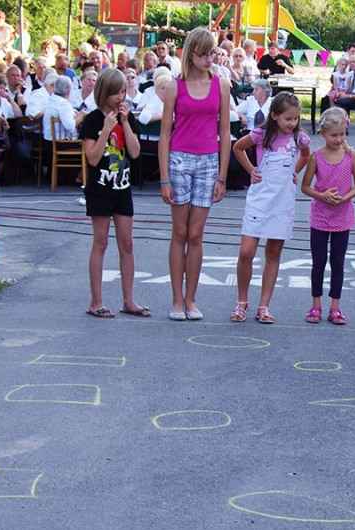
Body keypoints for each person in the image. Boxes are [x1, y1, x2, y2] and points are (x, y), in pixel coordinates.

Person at [159, 27, 231, 321]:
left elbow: (225, 133)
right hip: (179, 160)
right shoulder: (174, 86)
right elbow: (165, 134)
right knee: (179, 232)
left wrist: (222, 176)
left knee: (196, 233)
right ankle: (177, 300)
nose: (209, 58)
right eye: (203, 53)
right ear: (191, 54)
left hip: (208, 161)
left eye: (212, 52)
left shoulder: (221, 85)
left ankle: (191, 299)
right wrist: (164, 178)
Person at [231, 92, 311, 324]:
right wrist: (251, 170)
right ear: (274, 116)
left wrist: (295, 171)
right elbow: (238, 147)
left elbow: (306, 155)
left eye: (296, 118)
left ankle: (264, 305)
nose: (292, 123)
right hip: (259, 199)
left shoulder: (300, 138)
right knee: (246, 251)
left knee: (273, 253)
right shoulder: (261, 134)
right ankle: (241, 302)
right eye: (288, 118)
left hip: (282, 202)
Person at [79, 68, 148, 319]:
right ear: (104, 93)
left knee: (127, 243)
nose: (121, 97)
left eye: (123, 92)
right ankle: (96, 301)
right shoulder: (93, 120)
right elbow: (93, 158)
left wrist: (126, 123)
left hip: (122, 188)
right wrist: (107, 129)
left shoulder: (126, 118)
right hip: (100, 188)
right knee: (101, 242)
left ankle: (128, 300)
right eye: (116, 93)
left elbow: (135, 152)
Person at [300, 107, 355, 325]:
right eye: (334, 135)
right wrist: (322, 195)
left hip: (342, 217)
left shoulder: (352, 156)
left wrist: (345, 197)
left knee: (338, 261)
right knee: (318, 261)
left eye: (342, 134)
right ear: (322, 134)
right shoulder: (316, 157)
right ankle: (315, 304)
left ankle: (335, 306)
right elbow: (305, 186)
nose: (339, 139)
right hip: (320, 216)